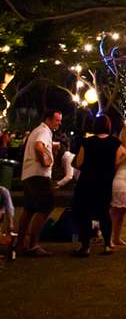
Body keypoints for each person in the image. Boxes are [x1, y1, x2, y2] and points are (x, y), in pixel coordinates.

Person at [71, 115, 120, 257]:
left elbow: (78, 163)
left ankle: (85, 247)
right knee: (104, 213)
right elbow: (117, 163)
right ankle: (107, 245)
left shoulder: (88, 142)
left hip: (87, 181)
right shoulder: (115, 143)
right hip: (105, 182)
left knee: (85, 213)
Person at [17, 109, 62, 257]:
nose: (59, 123)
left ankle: (20, 243)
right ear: (48, 119)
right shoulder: (44, 131)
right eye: (57, 120)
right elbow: (38, 146)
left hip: (29, 174)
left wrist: (51, 148)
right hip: (39, 175)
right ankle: (33, 245)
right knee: (46, 206)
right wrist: (46, 159)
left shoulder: (39, 130)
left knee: (29, 209)